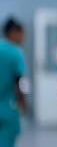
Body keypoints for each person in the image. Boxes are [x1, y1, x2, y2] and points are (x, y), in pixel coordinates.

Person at [0, 18, 27, 147]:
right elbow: (20, 82)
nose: (23, 40)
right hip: (7, 109)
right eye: (22, 35)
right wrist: (24, 103)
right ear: (13, 32)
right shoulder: (15, 53)